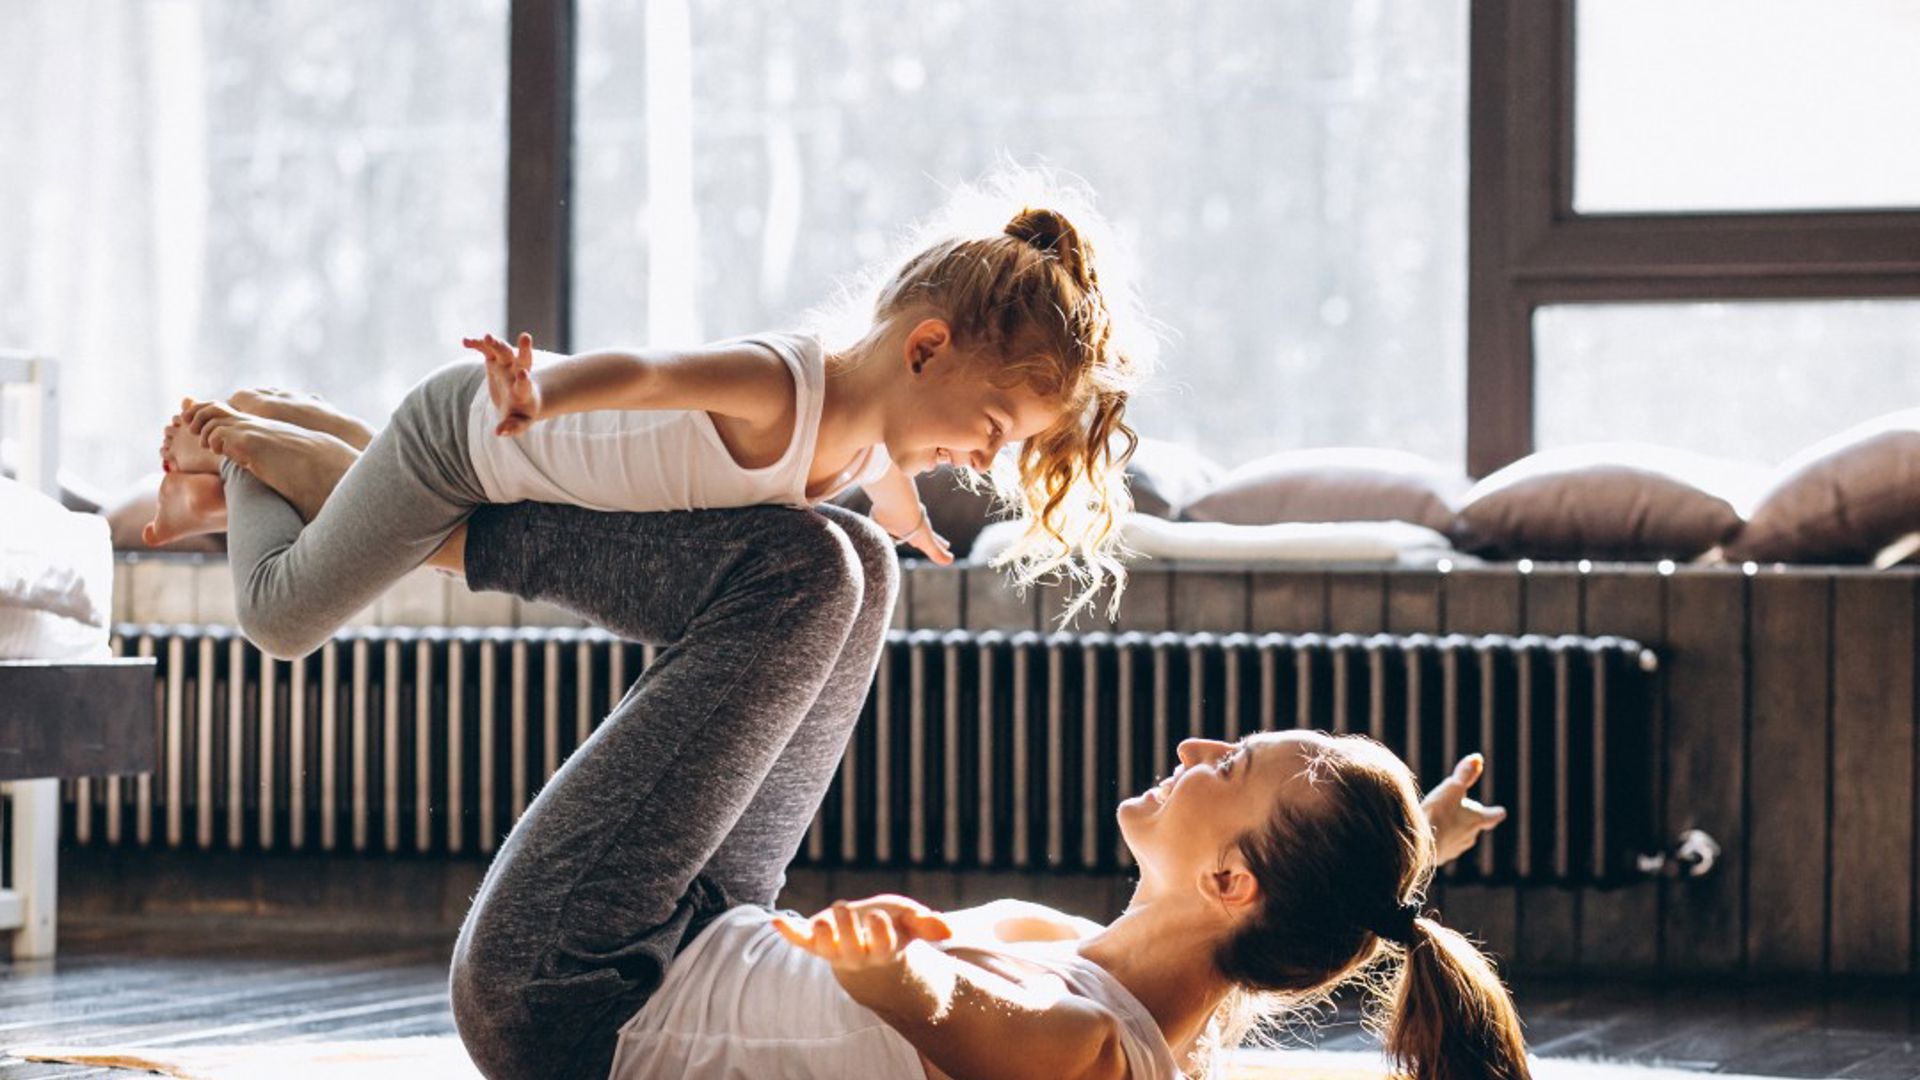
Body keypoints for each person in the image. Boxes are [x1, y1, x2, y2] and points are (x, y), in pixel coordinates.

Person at [159, 392, 1519, 1080]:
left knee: (795, 580)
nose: (1195, 749)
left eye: (1230, 769)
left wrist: (905, 983)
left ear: (1236, 885)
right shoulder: (1118, 972)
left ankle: (397, 491)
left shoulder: (1089, 1052)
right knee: (855, 565)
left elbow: (975, 1023)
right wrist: (1415, 861)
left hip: (576, 994)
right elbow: (1331, 905)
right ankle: (377, 488)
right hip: (696, 932)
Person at [143, 174, 1147, 661]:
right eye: (992, 423)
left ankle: (284, 423)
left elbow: (879, 464)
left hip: (509, 478)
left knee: (410, 533)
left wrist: (905, 516)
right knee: (278, 619)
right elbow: (647, 373)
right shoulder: (781, 385)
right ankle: (241, 454)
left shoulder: (863, 438)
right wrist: (545, 391)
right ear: (924, 348)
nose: (982, 457)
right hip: (471, 439)